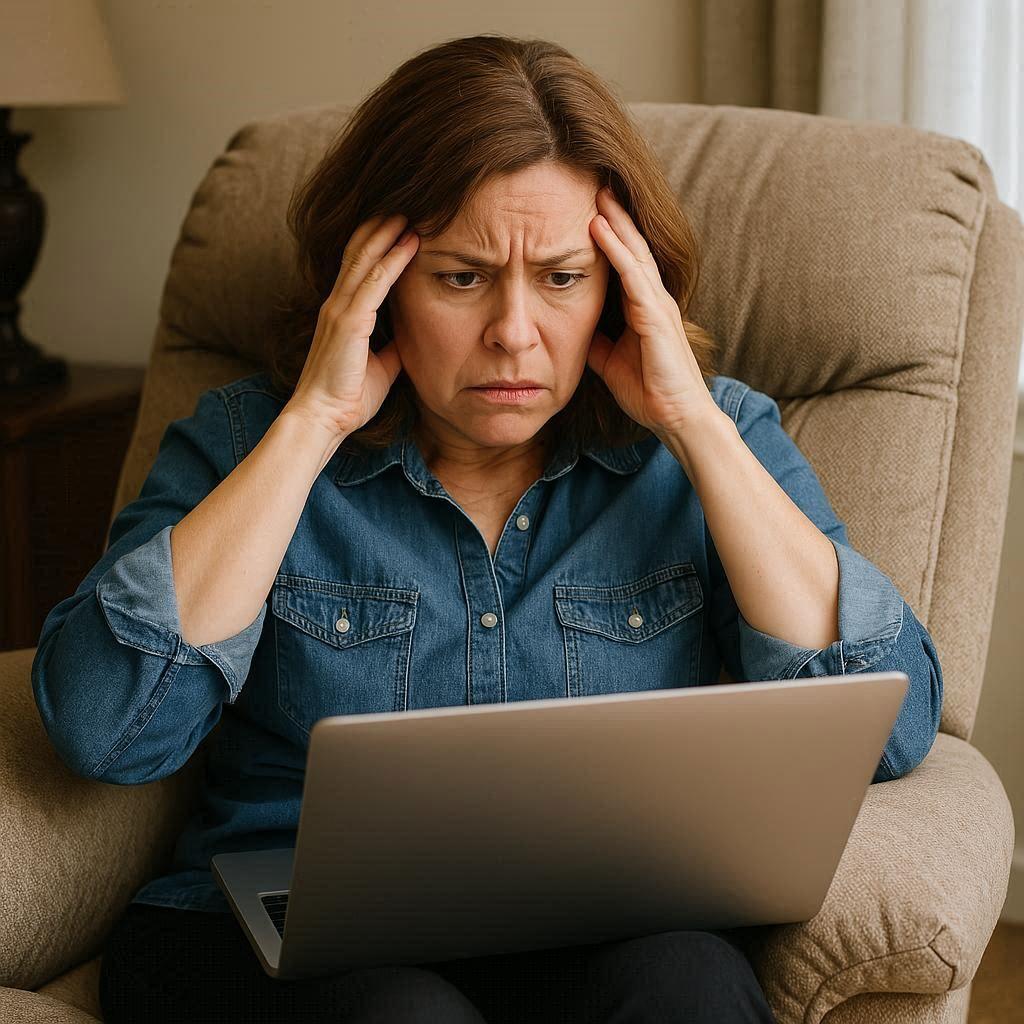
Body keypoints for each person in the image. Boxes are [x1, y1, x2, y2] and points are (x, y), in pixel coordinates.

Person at [31, 32, 942, 1024]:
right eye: (461, 278)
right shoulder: (245, 440)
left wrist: (693, 423)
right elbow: (106, 727)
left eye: (560, 278)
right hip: (271, 939)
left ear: (617, 290)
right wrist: (313, 423)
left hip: (589, 929)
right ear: (372, 290)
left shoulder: (712, 441)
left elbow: (885, 728)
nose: (514, 332)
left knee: (687, 983)